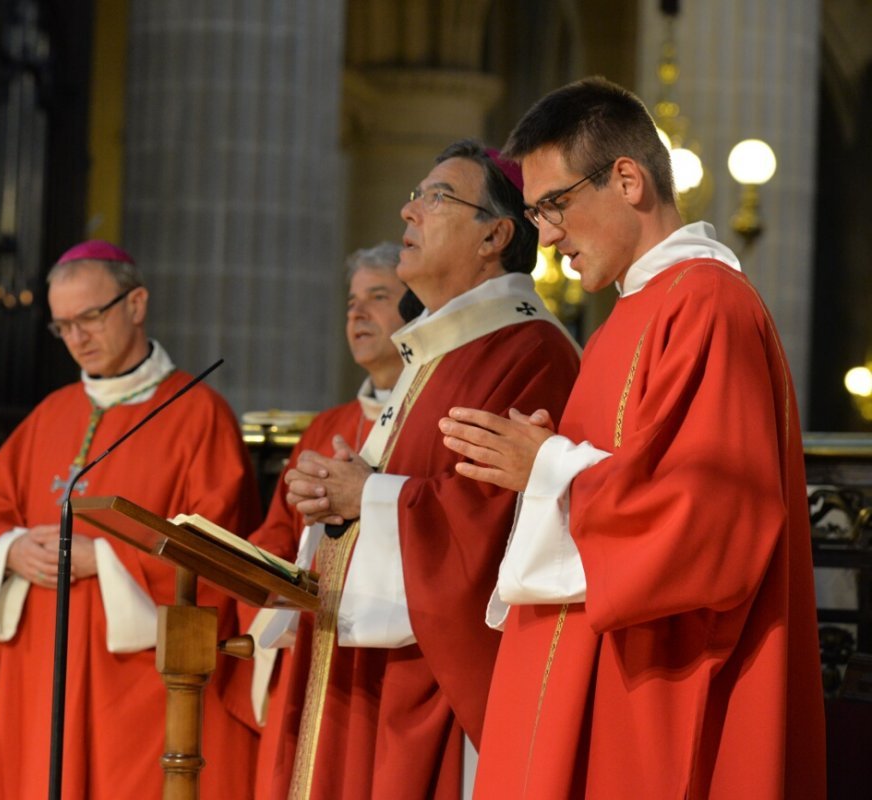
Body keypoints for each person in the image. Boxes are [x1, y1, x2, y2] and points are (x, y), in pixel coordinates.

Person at [439, 77, 826, 798]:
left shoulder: (708, 303)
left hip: (658, 692)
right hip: (595, 670)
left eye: (554, 207)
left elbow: (712, 520)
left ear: (627, 180)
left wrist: (552, 467)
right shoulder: (633, 312)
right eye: (533, 214)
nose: (547, 238)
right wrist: (543, 466)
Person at [276, 140, 581, 799]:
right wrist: (337, 498)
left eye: (436, 198)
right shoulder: (439, 347)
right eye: (413, 195)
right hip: (369, 668)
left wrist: (371, 495)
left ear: (495, 235)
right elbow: (407, 489)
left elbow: (497, 523)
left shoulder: (530, 351)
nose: (409, 212)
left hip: (437, 681)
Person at [0, 240, 262, 799]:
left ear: (136, 304)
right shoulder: (49, 414)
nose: (76, 339)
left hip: (132, 687)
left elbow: (217, 554)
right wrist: (10, 551)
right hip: (36, 675)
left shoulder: (197, 415)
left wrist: (106, 561)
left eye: (89, 317)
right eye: (62, 326)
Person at [243, 242, 410, 798]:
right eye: (351, 303)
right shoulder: (327, 426)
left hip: (381, 649)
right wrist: (261, 574)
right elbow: (278, 531)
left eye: (378, 298)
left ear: (417, 309)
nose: (357, 315)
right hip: (312, 644)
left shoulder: (426, 417)